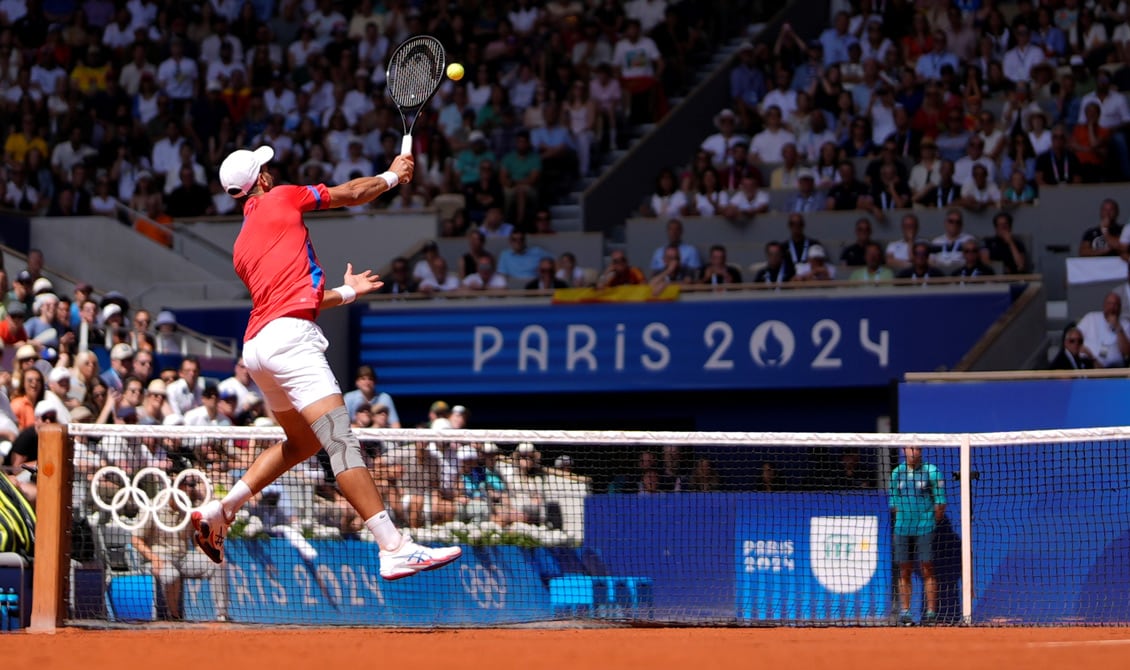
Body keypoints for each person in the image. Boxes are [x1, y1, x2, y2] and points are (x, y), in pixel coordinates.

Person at [191, 145, 461, 581]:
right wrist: (393, 176)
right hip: (290, 340)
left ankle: (222, 508)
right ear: (261, 180)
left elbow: (306, 299)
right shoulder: (281, 196)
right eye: (268, 170)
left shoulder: (242, 246)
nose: (273, 174)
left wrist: (349, 291)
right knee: (340, 440)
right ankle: (393, 546)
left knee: (303, 443)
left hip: (258, 347)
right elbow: (353, 192)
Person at [890, 445, 947, 626]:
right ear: (903, 451)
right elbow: (894, 504)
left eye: (917, 449)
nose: (913, 452)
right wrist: (903, 521)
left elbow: (940, 504)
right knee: (904, 570)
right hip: (902, 528)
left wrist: (929, 522)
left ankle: (930, 614)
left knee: (927, 568)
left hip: (925, 526)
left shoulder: (932, 471)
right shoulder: (896, 473)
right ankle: (905, 614)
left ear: (921, 451)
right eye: (909, 449)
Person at [1075, 292, 1130, 368]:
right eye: (1109, 303)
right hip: (1088, 363)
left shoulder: (1125, 324)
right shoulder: (1091, 318)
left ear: (1120, 308)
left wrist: (1118, 327)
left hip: (1114, 368)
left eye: (1116, 304)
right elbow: (1074, 336)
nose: (1112, 307)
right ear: (1104, 305)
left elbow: (1127, 352)